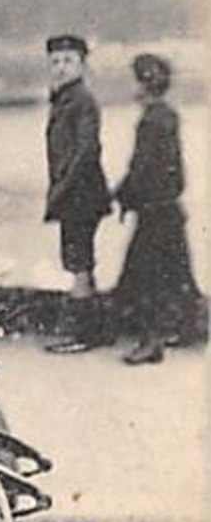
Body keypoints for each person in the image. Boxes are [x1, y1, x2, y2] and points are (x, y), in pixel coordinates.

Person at [111, 54, 204, 364]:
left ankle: (150, 344)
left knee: (142, 279)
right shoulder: (168, 116)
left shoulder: (150, 121)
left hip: (154, 213)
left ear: (144, 85)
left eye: (136, 81)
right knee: (180, 275)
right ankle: (191, 331)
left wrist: (122, 195)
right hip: (170, 209)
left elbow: (141, 169)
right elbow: (174, 171)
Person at [42, 34, 114, 354]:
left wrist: (60, 191)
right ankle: (97, 330)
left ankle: (83, 335)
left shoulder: (82, 99)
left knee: (79, 263)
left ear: (83, 65)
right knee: (80, 261)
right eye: (55, 61)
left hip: (79, 194)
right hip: (75, 193)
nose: (60, 67)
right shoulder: (65, 98)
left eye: (68, 61)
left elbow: (86, 152)